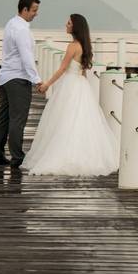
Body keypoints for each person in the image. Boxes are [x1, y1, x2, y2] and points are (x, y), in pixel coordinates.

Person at [21, 13, 118, 176]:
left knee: (65, 119)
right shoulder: (84, 45)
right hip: (81, 85)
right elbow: (82, 71)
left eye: (69, 23)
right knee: (80, 120)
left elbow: (62, 69)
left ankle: (65, 155)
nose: (66, 25)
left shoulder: (72, 46)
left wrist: (46, 85)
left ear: (75, 27)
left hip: (70, 85)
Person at [0, 0, 43, 169]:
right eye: (34, 10)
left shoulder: (10, 23)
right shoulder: (22, 29)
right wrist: (36, 80)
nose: (36, 14)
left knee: (3, 118)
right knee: (18, 119)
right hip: (18, 78)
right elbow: (26, 57)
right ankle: (17, 157)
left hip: (5, 77)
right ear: (25, 9)